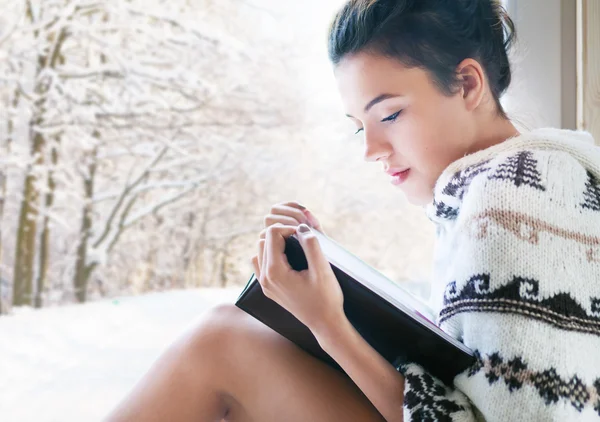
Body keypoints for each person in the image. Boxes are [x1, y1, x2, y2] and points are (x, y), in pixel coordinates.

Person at [105, 0, 600, 421]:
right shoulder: (528, 183)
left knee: (219, 344)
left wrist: (329, 324)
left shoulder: (511, 197)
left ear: (468, 84)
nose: (372, 149)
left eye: (389, 114)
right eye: (360, 126)